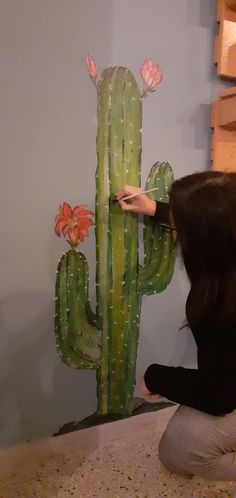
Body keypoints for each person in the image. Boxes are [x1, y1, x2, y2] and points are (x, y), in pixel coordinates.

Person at [117, 171, 236, 486]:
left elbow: (220, 395)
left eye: (182, 225)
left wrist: (155, 376)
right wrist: (153, 208)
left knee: (181, 449)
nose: (175, 231)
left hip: (226, 389)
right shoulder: (228, 251)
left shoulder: (224, 307)